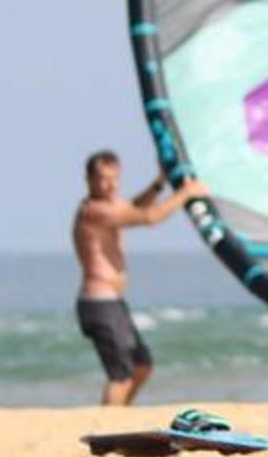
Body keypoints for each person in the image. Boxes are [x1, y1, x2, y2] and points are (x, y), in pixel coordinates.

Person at [71, 150, 207, 406]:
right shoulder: (93, 211)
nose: (109, 185)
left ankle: (118, 414)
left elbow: (134, 207)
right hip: (99, 304)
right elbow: (147, 217)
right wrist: (185, 193)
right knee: (120, 376)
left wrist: (159, 183)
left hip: (114, 303)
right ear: (88, 179)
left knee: (141, 366)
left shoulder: (110, 207)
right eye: (102, 179)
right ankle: (109, 422)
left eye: (114, 179)